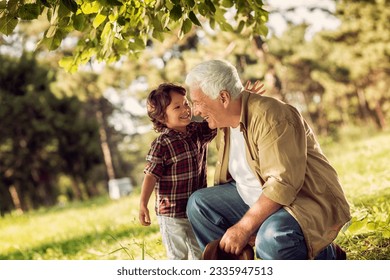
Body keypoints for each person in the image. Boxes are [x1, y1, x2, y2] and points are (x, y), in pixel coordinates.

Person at [185, 60, 351, 260]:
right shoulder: (225, 122)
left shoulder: (272, 116)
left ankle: (326, 256)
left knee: (271, 238)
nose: (195, 111)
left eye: (197, 102)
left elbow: (283, 183)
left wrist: (245, 226)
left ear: (223, 97)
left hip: (299, 201)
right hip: (255, 199)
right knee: (200, 205)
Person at [138, 83, 216, 260]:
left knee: (200, 254)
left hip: (195, 211)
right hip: (171, 214)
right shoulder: (162, 144)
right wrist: (143, 204)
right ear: (162, 116)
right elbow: (151, 175)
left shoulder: (197, 131)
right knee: (178, 257)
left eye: (186, 103)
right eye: (177, 107)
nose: (185, 109)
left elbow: (219, 120)